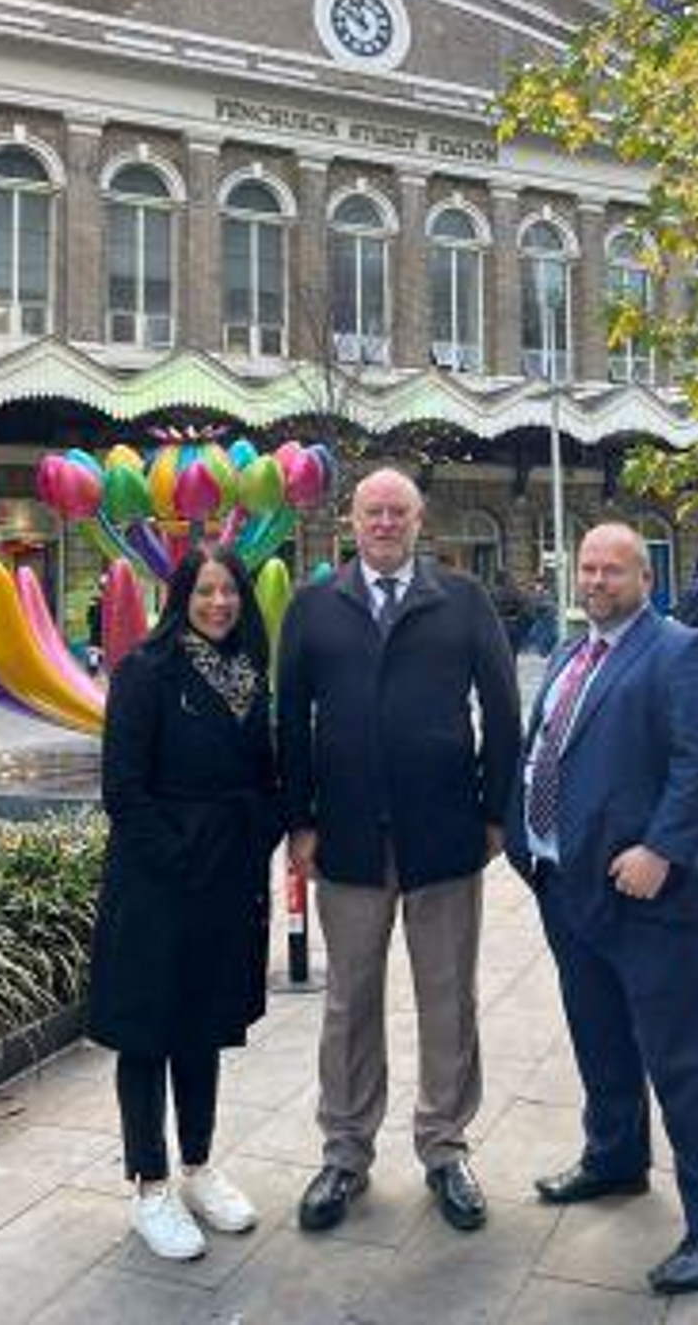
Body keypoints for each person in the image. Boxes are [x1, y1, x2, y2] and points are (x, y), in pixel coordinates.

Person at [277, 467, 521, 1235]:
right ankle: (345, 1152)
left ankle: (445, 1147)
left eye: (398, 512)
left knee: (449, 996)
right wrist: (300, 823)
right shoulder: (316, 607)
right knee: (349, 1001)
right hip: (346, 839)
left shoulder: (463, 601)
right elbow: (290, 723)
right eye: (372, 511)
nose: (385, 523)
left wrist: (493, 813)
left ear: (420, 522)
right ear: (351, 522)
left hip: (443, 837)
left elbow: (505, 712)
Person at [507, 522, 698, 1296]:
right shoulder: (575, 652)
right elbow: (549, 746)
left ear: (647, 577)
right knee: (600, 1037)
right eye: (588, 567)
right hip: (568, 887)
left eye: (614, 569)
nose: (598, 580)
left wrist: (662, 849)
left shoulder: (681, 651)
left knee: (686, 1060)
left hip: (653, 895)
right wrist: (524, 841)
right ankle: (615, 1158)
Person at [87, 545, 280, 1262]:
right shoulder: (146, 671)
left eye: (229, 590)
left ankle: (198, 1167)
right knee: (147, 1032)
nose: (219, 603)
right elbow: (122, 789)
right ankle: (150, 1186)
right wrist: (182, 856)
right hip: (157, 882)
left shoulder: (249, 674)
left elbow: (266, 772)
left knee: (201, 1026)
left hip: (226, 880)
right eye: (205, 591)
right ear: (180, 596)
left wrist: (259, 830)